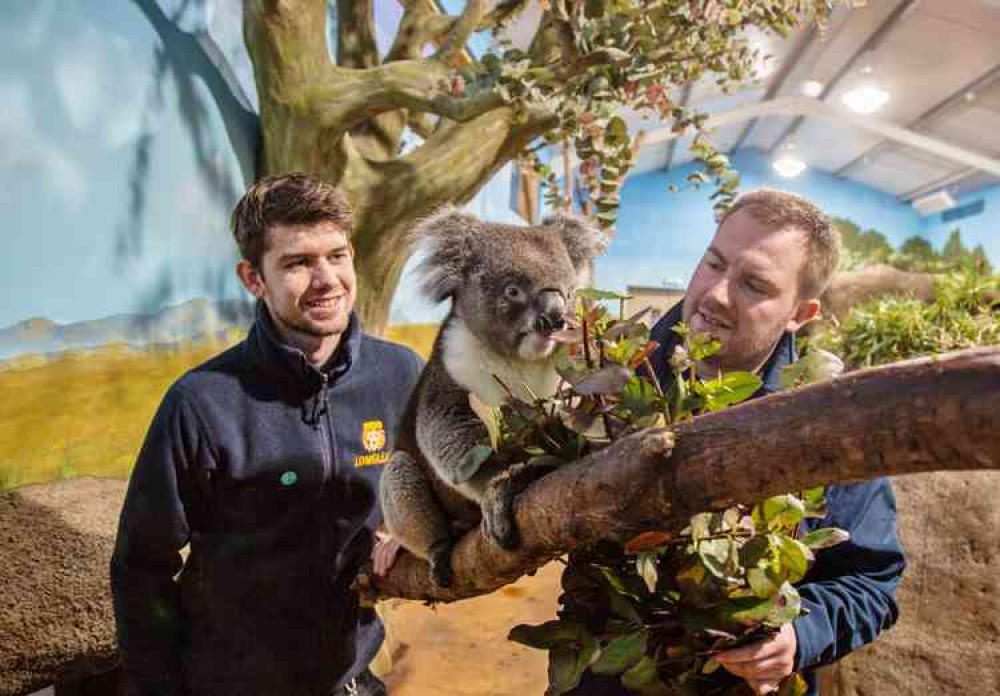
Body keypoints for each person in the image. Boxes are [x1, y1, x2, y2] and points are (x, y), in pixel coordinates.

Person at [566, 189, 906, 696]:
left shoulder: (833, 426)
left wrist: (799, 635)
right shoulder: (614, 381)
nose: (716, 294)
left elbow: (873, 582)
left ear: (801, 313)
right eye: (714, 263)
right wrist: (422, 526)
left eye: (754, 284)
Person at [110, 173, 423, 696]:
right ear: (253, 278)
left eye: (337, 255)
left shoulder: (401, 376)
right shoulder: (201, 403)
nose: (327, 279)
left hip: (350, 682)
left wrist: (405, 528)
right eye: (298, 263)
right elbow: (141, 568)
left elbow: (443, 486)